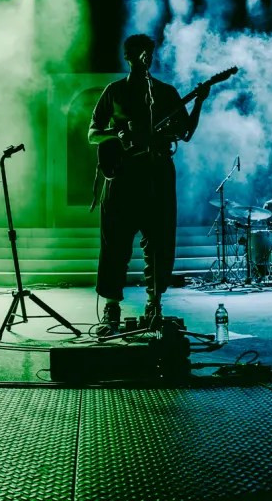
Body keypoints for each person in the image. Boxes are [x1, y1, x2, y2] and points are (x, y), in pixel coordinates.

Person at [88, 33, 209, 335]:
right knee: (114, 243)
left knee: (160, 243)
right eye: (139, 52)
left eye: (149, 52)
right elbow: (93, 133)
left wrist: (199, 103)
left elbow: (186, 133)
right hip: (122, 178)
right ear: (127, 56)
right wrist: (117, 135)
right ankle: (111, 309)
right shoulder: (114, 91)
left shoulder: (165, 92)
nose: (146, 57)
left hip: (158, 176)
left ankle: (154, 305)